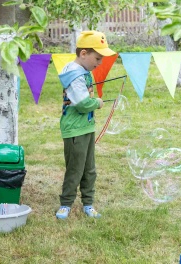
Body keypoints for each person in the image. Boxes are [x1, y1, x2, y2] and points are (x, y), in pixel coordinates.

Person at [55, 30, 116, 220]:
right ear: (83, 54)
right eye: (97, 58)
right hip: (75, 129)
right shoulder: (74, 74)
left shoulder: (82, 71)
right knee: (75, 169)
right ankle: (66, 204)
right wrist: (97, 102)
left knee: (89, 168)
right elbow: (82, 104)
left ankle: (88, 203)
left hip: (86, 127)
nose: (100, 63)